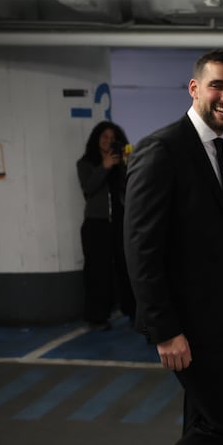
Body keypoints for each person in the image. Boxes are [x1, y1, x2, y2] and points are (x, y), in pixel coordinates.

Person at [123, 49, 223, 445]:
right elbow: (142, 247)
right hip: (185, 326)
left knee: (202, 422)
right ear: (195, 88)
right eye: (217, 85)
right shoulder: (161, 149)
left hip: (222, 323)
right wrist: (165, 330)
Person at [76, 120, 135, 330]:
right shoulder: (85, 163)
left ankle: (134, 313)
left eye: (112, 138)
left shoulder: (121, 161)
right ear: (96, 139)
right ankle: (97, 317)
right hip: (96, 225)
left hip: (120, 224)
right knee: (97, 271)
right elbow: (89, 187)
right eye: (104, 137)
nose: (108, 141)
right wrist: (104, 167)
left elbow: (131, 188)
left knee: (127, 269)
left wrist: (127, 165)